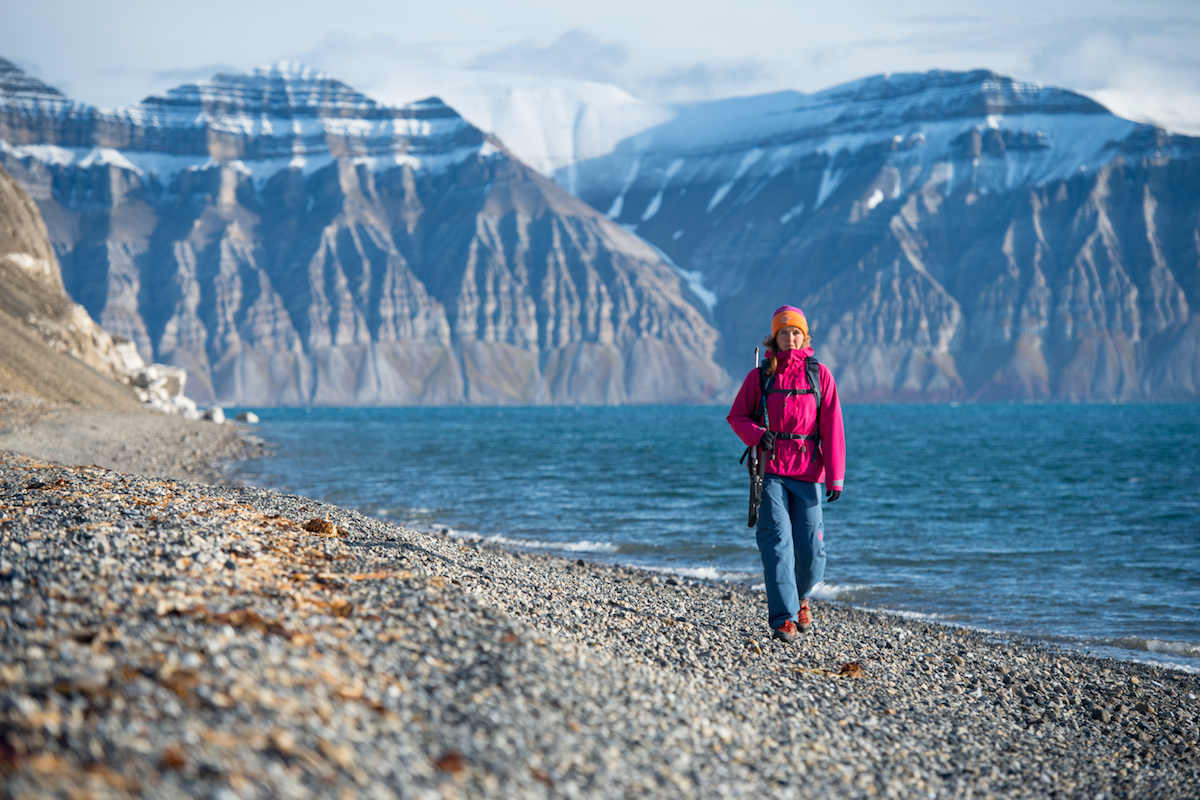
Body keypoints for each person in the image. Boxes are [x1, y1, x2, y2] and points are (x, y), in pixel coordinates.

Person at [727, 305, 845, 643]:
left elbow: (832, 426)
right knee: (776, 542)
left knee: (810, 550)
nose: (790, 338)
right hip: (770, 470)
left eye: (795, 332)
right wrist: (756, 433)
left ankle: (801, 597)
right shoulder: (760, 376)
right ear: (774, 338)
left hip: (809, 472)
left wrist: (836, 476)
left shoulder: (819, 374)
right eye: (783, 333)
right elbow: (737, 416)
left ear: (804, 336)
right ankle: (784, 619)